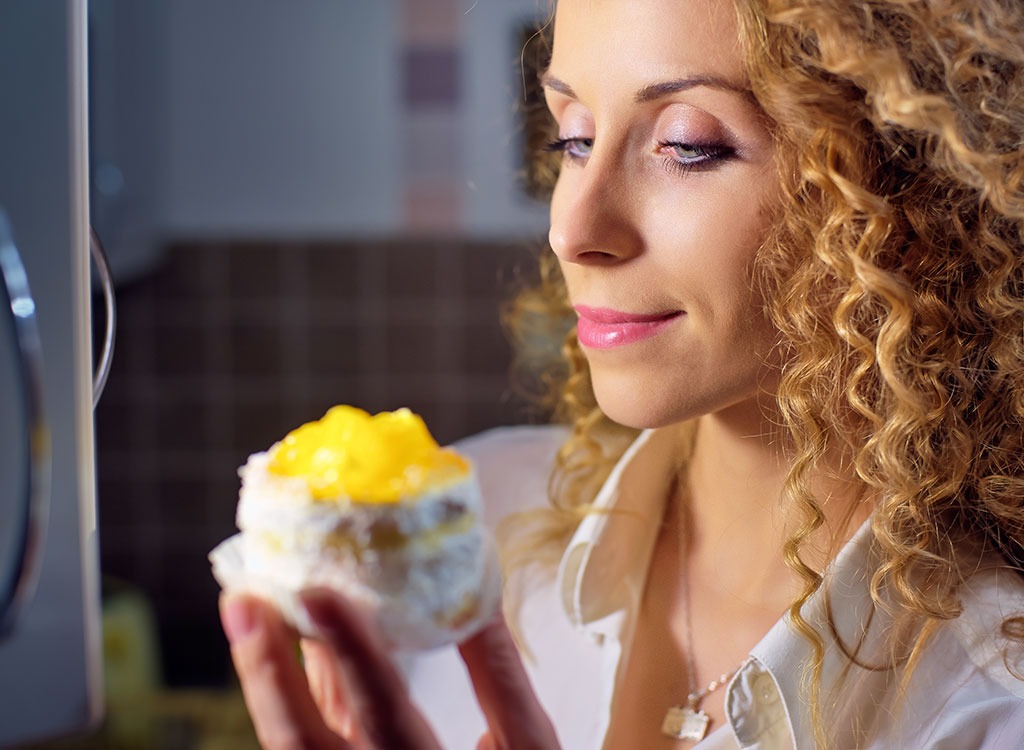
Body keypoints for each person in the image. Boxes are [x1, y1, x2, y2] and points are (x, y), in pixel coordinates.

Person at [218, 0, 1024, 747]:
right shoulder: (451, 537)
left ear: (912, 190)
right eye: (573, 137)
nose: (573, 228)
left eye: (685, 145)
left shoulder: (990, 703)